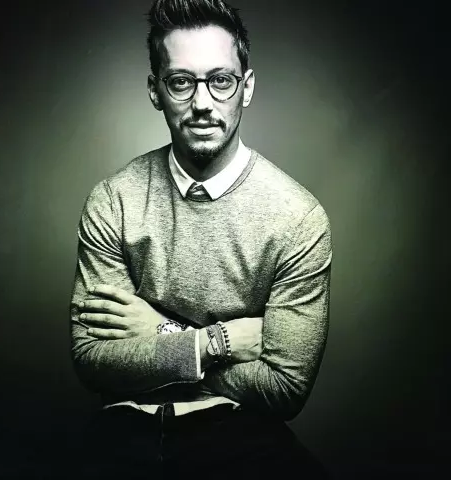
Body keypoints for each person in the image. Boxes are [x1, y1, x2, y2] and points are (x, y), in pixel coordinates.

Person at [69, 0, 333, 478]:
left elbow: (284, 389)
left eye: (221, 80)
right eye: (181, 82)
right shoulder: (114, 199)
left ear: (246, 88)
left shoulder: (298, 217)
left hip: (240, 433)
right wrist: (216, 342)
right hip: (125, 428)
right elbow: (94, 360)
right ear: (156, 90)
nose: (203, 102)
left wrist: (159, 332)